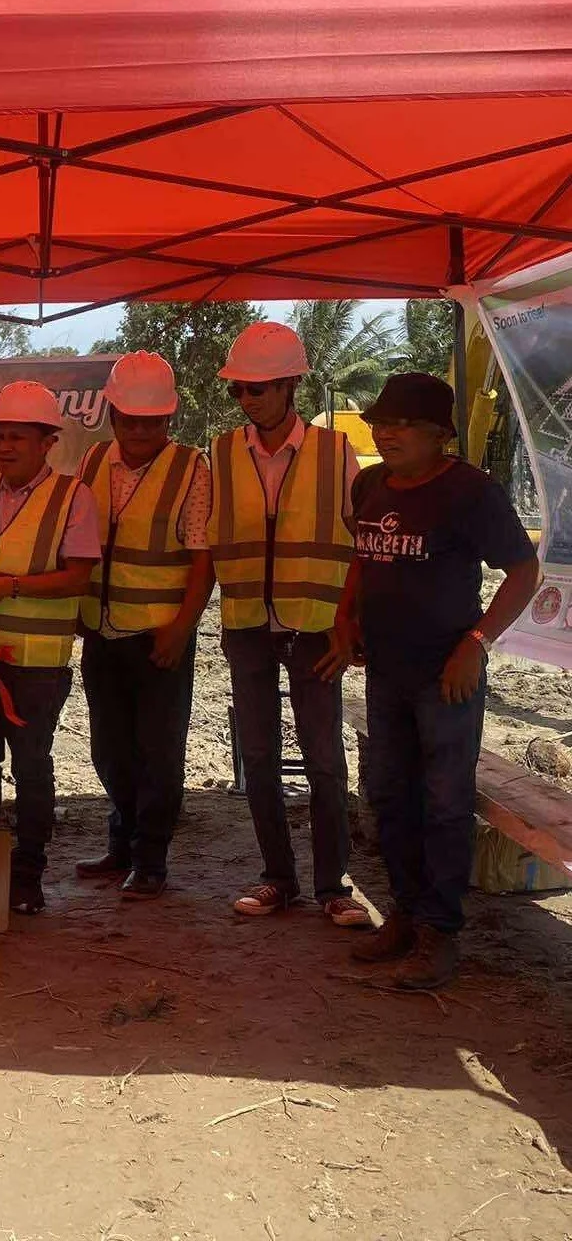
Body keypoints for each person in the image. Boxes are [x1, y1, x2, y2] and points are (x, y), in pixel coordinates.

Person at [333, 373, 539, 989]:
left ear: (438, 434)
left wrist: (475, 644)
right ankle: (404, 913)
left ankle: (439, 933)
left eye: (403, 425)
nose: (386, 433)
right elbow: (364, 555)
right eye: (381, 422)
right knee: (389, 794)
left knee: (446, 802)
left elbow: (523, 571)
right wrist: (345, 619)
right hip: (386, 671)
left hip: (446, 675)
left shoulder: (471, 492)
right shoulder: (371, 484)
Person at [208, 320, 369, 926]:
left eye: (257, 388)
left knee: (324, 758)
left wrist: (349, 624)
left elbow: (362, 543)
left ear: (289, 386)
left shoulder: (335, 452)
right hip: (247, 623)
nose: (246, 399)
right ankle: (278, 877)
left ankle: (332, 885)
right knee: (258, 755)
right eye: (239, 389)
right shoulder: (222, 453)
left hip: (316, 627)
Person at [0, 380, 100, 915]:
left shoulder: (72, 497)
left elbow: (78, 576)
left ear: (47, 442)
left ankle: (29, 871)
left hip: (36, 664)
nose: (5, 446)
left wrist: (6, 586)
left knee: (31, 764)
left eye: (18, 437)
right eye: (0, 436)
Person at [75, 353, 214, 898]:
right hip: (101, 630)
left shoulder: (191, 469)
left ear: (168, 419)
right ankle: (123, 844)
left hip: (159, 639)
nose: (139, 431)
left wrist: (182, 627)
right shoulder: (92, 461)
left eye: (151, 422)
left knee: (158, 753)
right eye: (129, 420)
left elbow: (203, 559)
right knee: (110, 750)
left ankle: (150, 860)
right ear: (112, 416)